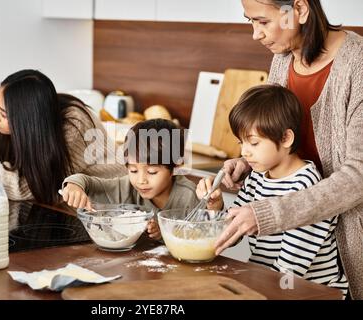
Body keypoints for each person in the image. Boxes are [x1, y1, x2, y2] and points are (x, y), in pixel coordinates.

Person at [209, 0, 362, 299]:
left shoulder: (358, 65)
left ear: (300, 10)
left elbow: (358, 177)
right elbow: (275, 132)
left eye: (263, 22)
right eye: (250, 22)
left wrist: (268, 214)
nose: (255, 34)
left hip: (349, 247)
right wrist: (247, 159)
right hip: (294, 252)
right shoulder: (283, 57)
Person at [197, 85, 348, 296]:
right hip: (269, 281)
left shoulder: (307, 185)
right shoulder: (257, 176)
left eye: (254, 143)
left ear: (286, 138)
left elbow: (292, 265)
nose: (244, 153)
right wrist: (215, 207)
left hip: (309, 290)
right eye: (241, 143)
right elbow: (233, 232)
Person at [0, 69, 126, 204]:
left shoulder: (74, 123)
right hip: (70, 201)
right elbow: (6, 165)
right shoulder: (29, 124)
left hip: (113, 199)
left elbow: (24, 188)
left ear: (26, 119)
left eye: (3, 114)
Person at [60, 119, 199, 239]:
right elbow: (90, 183)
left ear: (175, 166)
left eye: (152, 171)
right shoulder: (127, 186)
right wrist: (74, 185)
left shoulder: (188, 196)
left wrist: (163, 234)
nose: (141, 180)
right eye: (133, 170)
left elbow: (198, 238)